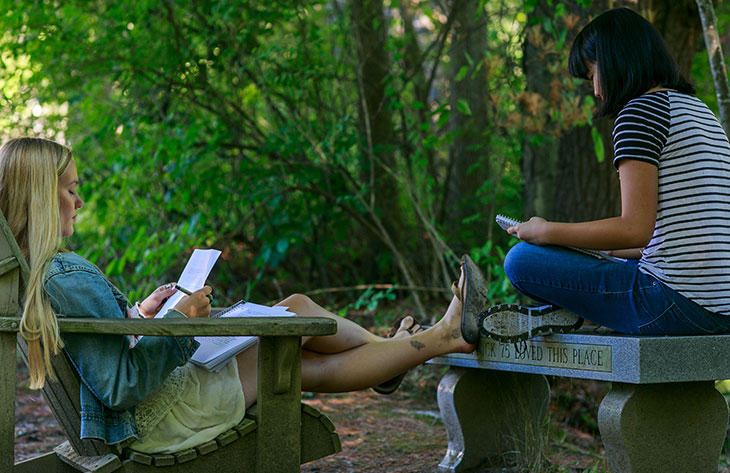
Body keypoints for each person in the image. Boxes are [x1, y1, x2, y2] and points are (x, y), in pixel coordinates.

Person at [2, 136, 479, 453]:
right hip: (159, 419)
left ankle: (410, 351)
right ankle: (430, 342)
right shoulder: (63, 275)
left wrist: (144, 314)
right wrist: (183, 319)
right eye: (70, 190)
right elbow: (121, 385)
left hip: (151, 411)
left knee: (293, 316)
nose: (79, 201)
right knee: (290, 327)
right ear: (41, 197)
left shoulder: (42, 274)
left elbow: (104, 352)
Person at [479, 7, 730, 342]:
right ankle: (580, 310)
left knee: (522, 260)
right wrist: (609, 252)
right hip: (722, 306)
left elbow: (634, 230)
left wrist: (545, 231)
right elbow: (685, 236)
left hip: (676, 303)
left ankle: (578, 311)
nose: (595, 90)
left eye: (591, 73)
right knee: (606, 260)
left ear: (614, 60)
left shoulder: (639, 113)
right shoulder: (697, 110)